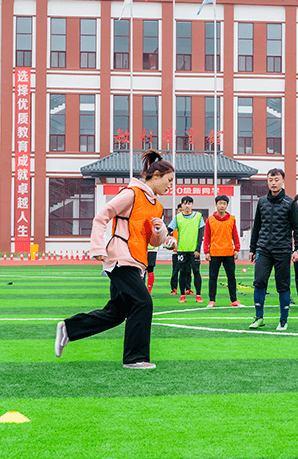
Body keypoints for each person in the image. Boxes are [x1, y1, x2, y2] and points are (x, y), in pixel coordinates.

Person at [55, 150, 173, 369]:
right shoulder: (132, 193)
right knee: (144, 302)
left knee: (117, 312)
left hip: (137, 262)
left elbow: (153, 242)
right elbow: (102, 217)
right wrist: (97, 247)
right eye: (169, 180)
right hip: (120, 258)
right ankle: (135, 358)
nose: (170, 186)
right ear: (156, 175)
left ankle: (69, 329)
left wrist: (160, 231)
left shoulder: (157, 206)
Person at [248, 168, 298, 331]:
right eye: (270, 180)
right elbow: (256, 226)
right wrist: (252, 248)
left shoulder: (290, 203)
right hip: (263, 248)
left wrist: (297, 249)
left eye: (276, 180)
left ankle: (283, 320)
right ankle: (259, 317)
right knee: (259, 281)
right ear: (267, 181)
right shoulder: (262, 201)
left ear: (283, 181)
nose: (273, 183)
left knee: (283, 285)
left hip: (283, 250)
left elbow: (297, 227)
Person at [203, 194, 243, 308]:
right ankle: (211, 300)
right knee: (212, 278)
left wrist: (237, 249)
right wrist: (206, 251)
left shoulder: (232, 219)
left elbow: (235, 235)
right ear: (216, 205)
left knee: (231, 277)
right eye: (220, 203)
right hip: (214, 252)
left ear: (227, 205)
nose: (222, 205)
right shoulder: (210, 220)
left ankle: (234, 300)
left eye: (224, 203)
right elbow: (207, 237)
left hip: (229, 252)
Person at [168, 196, 204, 303]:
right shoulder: (178, 217)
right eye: (185, 203)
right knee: (182, 272)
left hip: (194, 251)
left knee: (196, 271)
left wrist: (198, 249)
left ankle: (198, 295)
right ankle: (182, 295)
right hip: (182, 250)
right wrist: (164, 237)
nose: (187, 206)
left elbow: (200, 234)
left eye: (189, 203)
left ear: (192, 205)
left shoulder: (198, 216)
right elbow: (169, 228)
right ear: (182, 206)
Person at [168, 203, 183, 296]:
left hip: (186, 250)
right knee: (175, 271)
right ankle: (173, 288)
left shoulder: (187, 223)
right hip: (176, 251)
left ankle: (188, 288)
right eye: (180, 210)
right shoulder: (174, 223)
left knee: (186, 271)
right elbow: (169, 234)